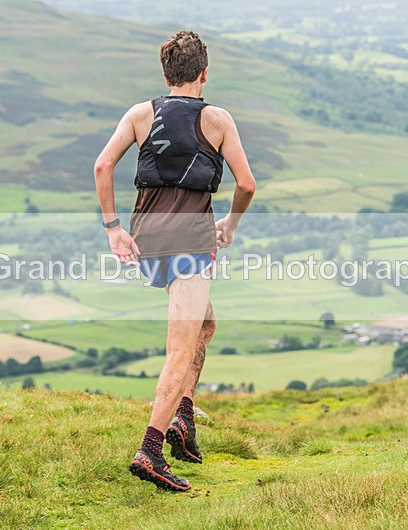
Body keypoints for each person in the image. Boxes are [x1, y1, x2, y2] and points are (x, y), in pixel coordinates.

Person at [94, 30, 256, 491]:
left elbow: (103, 166)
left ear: (165, 74)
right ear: (204, 73)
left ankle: (183, 416)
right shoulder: (217, 119)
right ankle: (150, 448)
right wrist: (230, 225)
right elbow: (246, 185)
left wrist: (113, 230)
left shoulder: (141, 113)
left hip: (148, 235)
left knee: (204, 322)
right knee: (180, 349)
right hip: (190, 240)